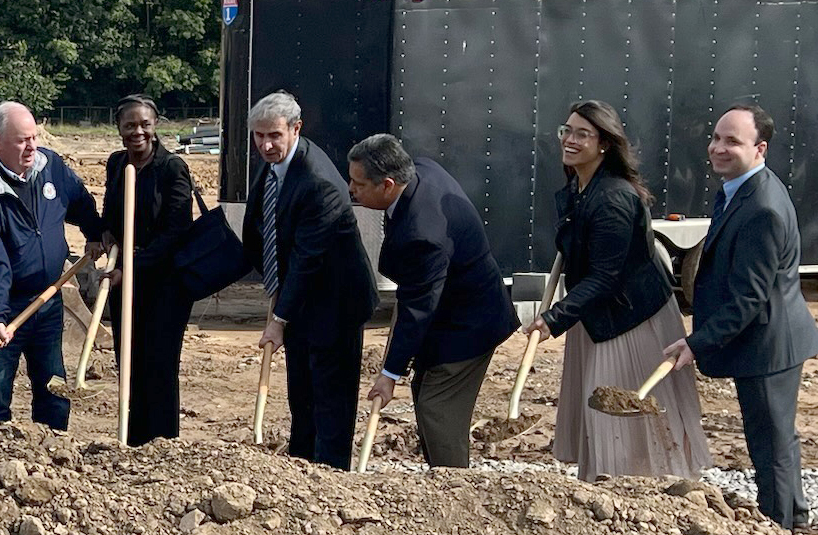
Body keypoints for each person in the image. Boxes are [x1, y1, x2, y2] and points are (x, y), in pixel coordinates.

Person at [665, 105, 818, 528]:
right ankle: (791, 523)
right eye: (716, 138)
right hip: (767, 340)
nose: (717, 148)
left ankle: (782, 531)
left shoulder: (762, 209)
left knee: (771, 444)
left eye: (731, 141)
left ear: (760, 148)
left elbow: (749, 298)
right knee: (775, 441)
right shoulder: (743, 188)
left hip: (770, 344)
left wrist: (695, 343)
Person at [532, 101, 709, 480]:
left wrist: (553, 319)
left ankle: (634, 492)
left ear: (604, 145)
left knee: (620, 413)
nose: (570, 140)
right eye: (567, 130)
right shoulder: (580, 190)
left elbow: (605, 278)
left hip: (630, 321)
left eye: (583, 134)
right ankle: (603, 485)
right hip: (598, 317)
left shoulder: (612, 198)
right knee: (602, 412)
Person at [346, 135, 515, 468]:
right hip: (450, 310)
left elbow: (415, 310)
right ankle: (443, 476)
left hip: (470, 324)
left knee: (437, 408)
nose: (351, 189)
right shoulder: (420, 170)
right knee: (426, 390)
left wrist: (389, 374)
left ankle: (453, 489)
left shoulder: (423, 233)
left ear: (388, 185)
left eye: (359, 183)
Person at [242, 91, 375, 469]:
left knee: (330, 401)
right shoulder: (276, 164)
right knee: (301, 395)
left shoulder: (317, 182)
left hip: (334, 304)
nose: (266, 145)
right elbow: (260, 228)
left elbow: (306, 260)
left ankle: (331, 481)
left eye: (274, 136)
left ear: (295, 129)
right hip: (300, 299)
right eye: (259, 136)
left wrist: (278, 320)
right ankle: (301, 473)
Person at [0, 101, 105, 430]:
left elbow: (79, 201)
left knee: (54, 389)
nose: (32, 146)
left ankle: (55, 454)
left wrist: (95, 233)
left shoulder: (50, 166)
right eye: (22, 140)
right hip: (4, 308)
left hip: (48, 299)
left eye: (34, 137)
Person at [99, 94, 195, 446]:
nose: (137, 131)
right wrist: (104, 235)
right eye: (130, 125)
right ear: (119, 129)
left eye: (144, 124)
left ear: (155, 126)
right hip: (125, 282)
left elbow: (176, 232)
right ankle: (133, 439)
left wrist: (133, 266)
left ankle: (162, 442)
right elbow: (110, 213)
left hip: (164, 285)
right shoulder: (115, 164)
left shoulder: (172, 169)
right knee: (130, 361)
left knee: (159, 364)